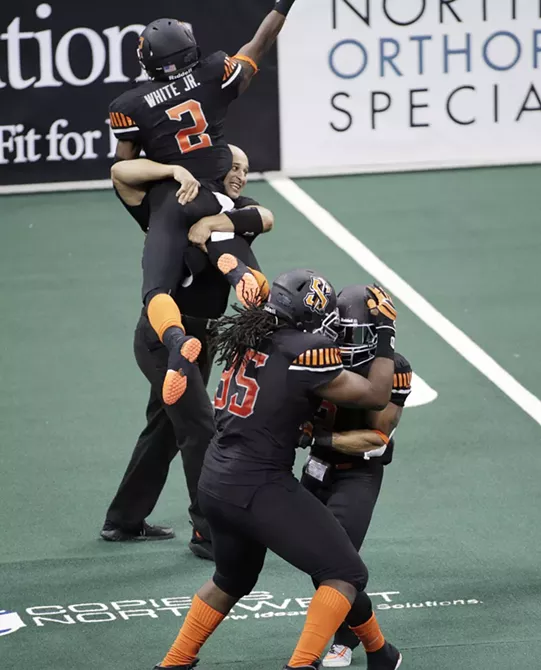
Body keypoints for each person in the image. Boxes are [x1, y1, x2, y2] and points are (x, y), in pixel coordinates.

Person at [153, 271, 402, 670]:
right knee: (344, 571)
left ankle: (173, 663)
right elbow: (375, 394)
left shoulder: (245, 335)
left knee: (231, 580)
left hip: (215, 478)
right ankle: (302, 664)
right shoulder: (305, 350)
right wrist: (386, 333)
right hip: (258, 484)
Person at [109, 0, 298, 406]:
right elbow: (258, 44)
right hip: (211, 193)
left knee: (156, 289)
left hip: (169, 201)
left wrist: (169, 171)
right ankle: (242, 278)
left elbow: (124, 169)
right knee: (220, 228)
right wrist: (284, 5)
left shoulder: (130, 106)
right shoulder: (213, 73)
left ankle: (177, 341)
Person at [101, 148, 272, 559]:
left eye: (246, 170)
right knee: (199, 428)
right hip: (163, 335)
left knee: (164, 428)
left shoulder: (235, 210)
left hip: (205, 338)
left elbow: (266, 216)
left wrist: (215, 222)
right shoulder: (172, 202)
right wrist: (173, 169)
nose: (241, 175)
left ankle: (122, 520)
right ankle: (208, 534)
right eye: (234, 167)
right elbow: (121, 171)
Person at [299, 284, 412, 668]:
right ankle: (373, 646)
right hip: (316, 467)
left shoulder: (393, 369)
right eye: (345, 333)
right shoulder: (313, 353)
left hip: (357, 472)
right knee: (316, 562)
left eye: (362, 334)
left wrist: (320, 435)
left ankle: (339, 641)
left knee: (336, 562)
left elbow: (377, 438)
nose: (351, 344)